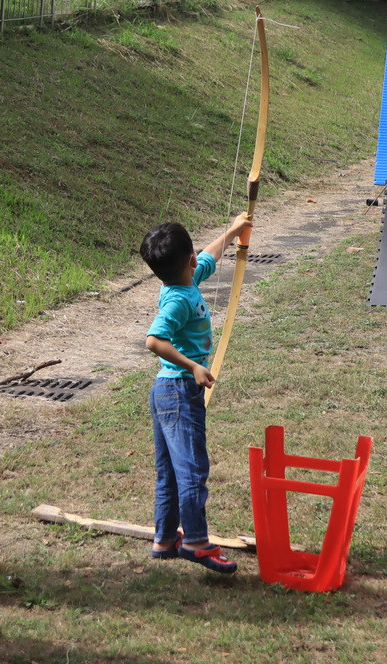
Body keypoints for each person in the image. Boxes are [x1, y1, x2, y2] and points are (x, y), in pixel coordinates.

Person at [139, 215, 251, 574]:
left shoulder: (182, 281)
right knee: (191, 468)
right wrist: (193, 367)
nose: (199, 260)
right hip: (178, 390)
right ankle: (196, 541)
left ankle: (165, 537)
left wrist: (232, 233)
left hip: (167, 391)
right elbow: (154, 340)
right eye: (194, 256)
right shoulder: (178, 301)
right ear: (187, 260)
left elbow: (208, 257)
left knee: (170, 470)